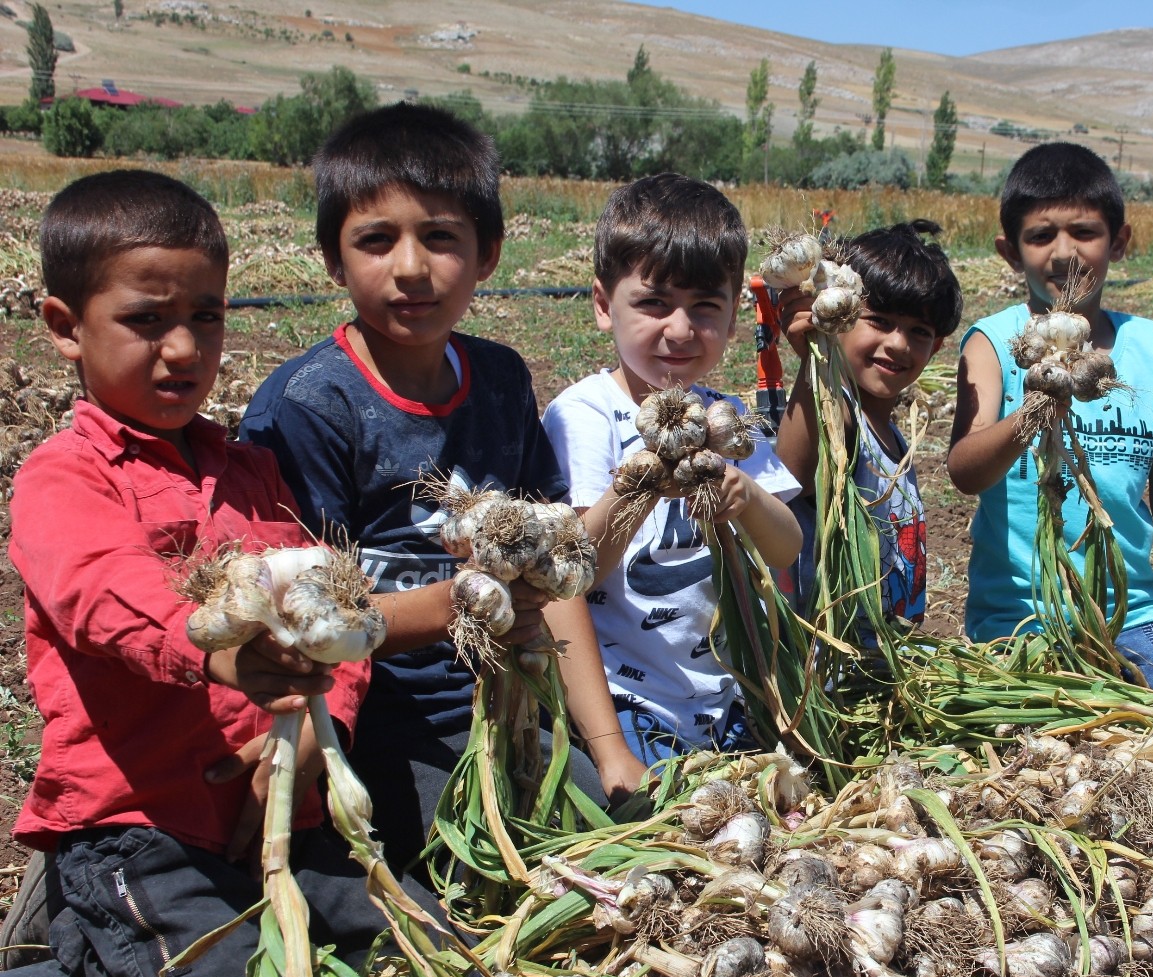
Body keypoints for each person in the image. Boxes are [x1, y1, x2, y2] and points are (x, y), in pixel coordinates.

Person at [0, 170, 404, 977]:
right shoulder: (65, 477)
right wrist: (213, 649)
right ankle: (66, 971)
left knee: (416, 954)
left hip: (281, 818)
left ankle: (73, 967)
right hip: (142, 832)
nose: (183, 348)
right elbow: (101, 590)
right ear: (66, 328)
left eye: (208, 316)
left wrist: (307, 737)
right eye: (147, 320)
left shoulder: (252, 473)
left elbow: (337, 612)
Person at [239, 104, 647, 874]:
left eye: (440, 236)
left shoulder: (497, 380)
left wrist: (607, 745)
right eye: (375, 239)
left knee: (626, 845)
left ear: (488, 253)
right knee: (500, 880)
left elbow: (549, 571)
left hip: (511, 704)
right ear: (332, 258)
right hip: (382, 722)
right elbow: (300, 622)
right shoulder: (309, 408)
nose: (411, 267)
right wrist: (454, 602)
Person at [543, 173, 803, 765]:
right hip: (628, 701)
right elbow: (574, 570)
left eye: (705, 308)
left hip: (728, 697)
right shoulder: (586, 415)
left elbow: (787, 547)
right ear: (605, 306)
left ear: (734, 317)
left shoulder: (724, 417)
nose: (680, 330)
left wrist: (746, 496)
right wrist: (644, 481)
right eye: (654, 303)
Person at [947, 142, 1153, 695]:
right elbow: (964, 471)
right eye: (1041, 236)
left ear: (1118, 243)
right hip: (1017, 625)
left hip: (1133, 622)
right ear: (1010, 251)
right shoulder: (995, 342)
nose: (1064, 252)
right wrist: (1034, 409)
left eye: (1085, 233)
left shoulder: (1150, 346)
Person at [774, 219, 963, 630]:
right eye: (877, 320)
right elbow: (790, 477)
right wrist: (813, 360)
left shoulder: (893, 435)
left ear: (937, 347)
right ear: (838, 314)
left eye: (918, 331)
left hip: (882, 666)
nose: (898, 343)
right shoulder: (840, 414)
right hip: (831, 672)